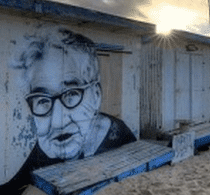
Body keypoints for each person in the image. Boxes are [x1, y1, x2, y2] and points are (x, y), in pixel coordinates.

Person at [11, 28, 136, 174]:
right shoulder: (45, 147)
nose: (58, 123)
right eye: (42, 101)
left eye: (71, 94)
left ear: (96, 96)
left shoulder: (121, 138)